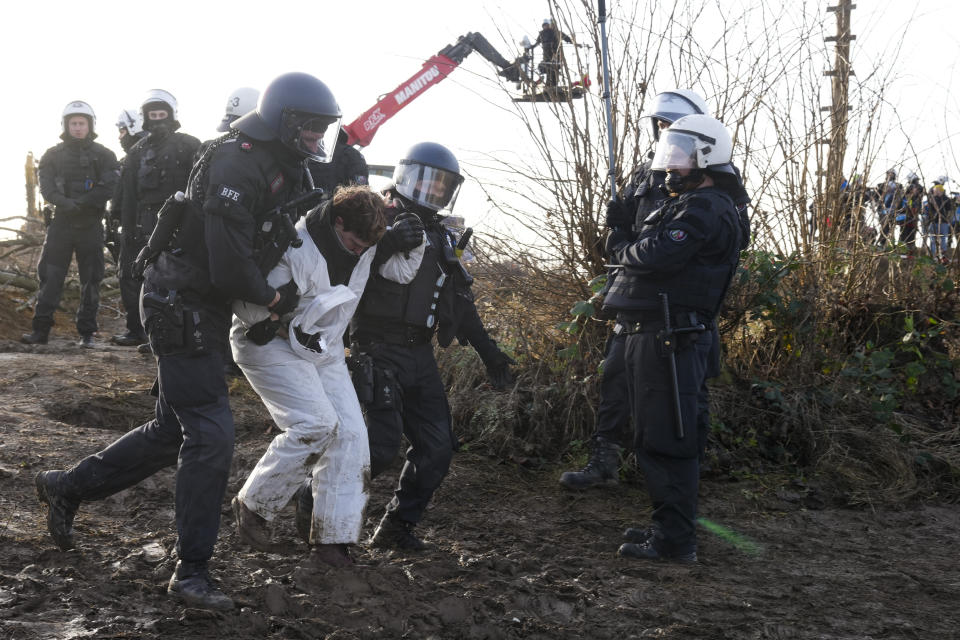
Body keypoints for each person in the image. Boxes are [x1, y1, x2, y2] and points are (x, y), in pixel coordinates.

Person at [34, 71, 343, 610]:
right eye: (313, 129)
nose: (319, 140)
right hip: (180, 302)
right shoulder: (235, 162)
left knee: (171, 429)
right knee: (210, 434)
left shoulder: (283, 165)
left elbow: (270, 241)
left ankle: (66, 487)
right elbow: (229, 265)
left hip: (200, 303)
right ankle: (190, 571)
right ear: (286, 123)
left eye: (324, 130)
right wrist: (275, 302)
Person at [230, 185, 425, 567]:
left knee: (351, 435)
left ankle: (331, 543)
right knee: (316, 424)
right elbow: (247, 303)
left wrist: (413, 240)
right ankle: (254, 505)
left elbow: (401, 272)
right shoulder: (294, 246)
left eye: (367, 245)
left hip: (325, 349)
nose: (359, 251)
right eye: (355, 242)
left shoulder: (366, 242)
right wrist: (278, 321)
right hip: (269, 343)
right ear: (338, 222)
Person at [334, 142, 513, 551]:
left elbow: (460, 303)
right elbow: (337, 264)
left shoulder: (441, 235)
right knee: (377, 448)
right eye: (424, 181)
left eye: (441, 186)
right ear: (403, 176)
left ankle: (396, 528)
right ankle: (314, 501)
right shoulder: (375, 219)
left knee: (437, 448)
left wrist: (490, 353)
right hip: (374, 349)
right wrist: (388, 241)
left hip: (420, 354)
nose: (431, 192)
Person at [560, 89, 735, 490]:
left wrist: (635, 247)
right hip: (636, 295)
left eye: (673, 126)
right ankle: (604, 463)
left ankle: (686, 473)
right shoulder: (645, 175)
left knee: (686, 392)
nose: (664, 132)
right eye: (660, 125)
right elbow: (621, 242)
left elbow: (692, 247)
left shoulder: (711, 184)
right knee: (615, 376)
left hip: (680, 306)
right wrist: (617, 227)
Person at [603, 114, 744, 563]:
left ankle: (675, 541)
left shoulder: (707, 207)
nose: (671, 166)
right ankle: (668, 527)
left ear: (707, 156)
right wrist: (625, 234)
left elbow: (658, 255)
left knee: (669, 438)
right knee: (656, 435)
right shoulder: (687, 204)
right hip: (661, 335)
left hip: (672, 339)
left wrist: (625, 250)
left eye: (681, 155)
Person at [21, 101, 119, 347]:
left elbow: (110, 185)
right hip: (61, 224)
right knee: (50, 277)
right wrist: (66, 204)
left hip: (91, 225)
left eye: (82, 123)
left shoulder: (105, 155)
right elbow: (46, 187)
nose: (77, 128)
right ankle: (40, 332)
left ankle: (87, 333)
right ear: (66, 125)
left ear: (90, 125)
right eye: (73, 123)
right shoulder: (52, 155)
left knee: (91, 279)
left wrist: (84, 203)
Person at [111, 90, 200, 347]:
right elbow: (129, 196)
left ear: (171, 115)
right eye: (154, 115)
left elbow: (201, 186)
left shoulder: (190, 145)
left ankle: (187, 332)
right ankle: (149, 332)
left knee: (180, 277)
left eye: (163, 114)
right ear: (146, 118)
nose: (158, 119)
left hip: (183, 220)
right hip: (146, 222)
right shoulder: (136, 153)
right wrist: (128, 231)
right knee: (141, 277)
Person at [308, 127, 369, 196]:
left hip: (315, 204)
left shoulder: (309, 154)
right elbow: (362, 192)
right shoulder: (353, 154)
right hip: (342, 204)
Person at [527, 17, 574, 87]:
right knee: (548, 70)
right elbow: (537, 43)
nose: (546, 26)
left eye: (547, 25)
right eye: (544, 25)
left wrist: (573, 42)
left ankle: (552, 86)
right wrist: (530, 48)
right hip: (546, 56)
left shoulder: (556, 32)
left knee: (553, 71)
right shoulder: (542, 34)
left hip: (555, 56)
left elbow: (567, 38)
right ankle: (549, 85)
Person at [924, 181, 953, 261]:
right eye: (934, 190)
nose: (935, 191)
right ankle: (933, 256)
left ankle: (942, 256)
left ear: (941, 190)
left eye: (937, 190)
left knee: (943, 239)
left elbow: (949, 210)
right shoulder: (931, 199)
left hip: (943, 222)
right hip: (933, 222)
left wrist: (947, 218)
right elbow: (927, 211)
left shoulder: (946, 199)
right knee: (933, 239)